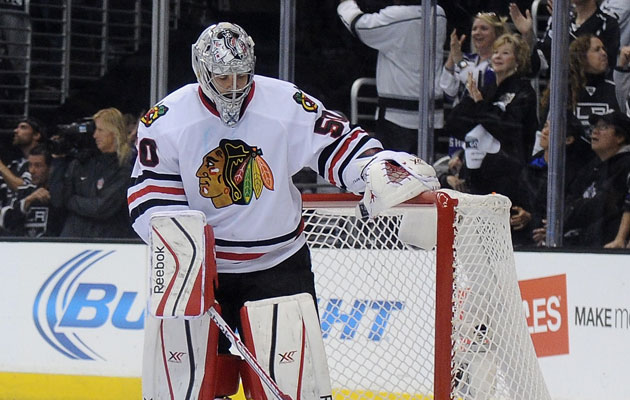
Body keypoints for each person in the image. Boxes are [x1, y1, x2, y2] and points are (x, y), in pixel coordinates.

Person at [127, 22, 437, 399]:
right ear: (202, 70)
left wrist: (373, 168)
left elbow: (337, 145)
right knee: (183, 389)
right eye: (224, 78)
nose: (235, 86)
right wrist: (178, 246)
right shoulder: (165, 120)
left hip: (279, 267)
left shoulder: (285, 102)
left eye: (243, 75)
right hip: (201, 272)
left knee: (295, 389)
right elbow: (149, 194)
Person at [336, 0, 447, 154]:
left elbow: (359, 26)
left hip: (398, 117)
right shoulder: (438, 13)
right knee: (423, 172)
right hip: (431, 115)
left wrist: (346, 3)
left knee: (393, 173)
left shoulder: (397, 16)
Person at [444, 33, 538, 203]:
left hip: (508, 179)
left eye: (505, 53)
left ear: (518, 60)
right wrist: (470, 102)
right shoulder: (486, 90)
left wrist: (480, 105)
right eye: (495, 52)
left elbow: (508, 129)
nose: (497, 57)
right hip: (476, 177)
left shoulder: (524, 91)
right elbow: (454, 125)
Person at [510, 115, 589, 246]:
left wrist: (532, 219)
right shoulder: (530, 165)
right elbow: (518, 199)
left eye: (553, 129)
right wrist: (518, 214)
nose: (545, 132)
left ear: (568, 140)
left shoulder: (576, 172)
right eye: (546, 126)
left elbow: (570, 212)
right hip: (524, 239)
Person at [440, 11, 511, 155]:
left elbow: (480, 86)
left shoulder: (499, 63)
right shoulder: (467, 59)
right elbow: (448, 91)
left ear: (497, 33)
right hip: (460, 129)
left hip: (483, 129)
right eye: (474, 29)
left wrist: (459, 62)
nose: (477, 32)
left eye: (484, 28)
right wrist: (452, 57)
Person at [59, 107, 134, 238]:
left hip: (110, 241)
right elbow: (60, 198)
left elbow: (101, 207)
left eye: (100, 130)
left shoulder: (125, 167)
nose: (95, 135)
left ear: (114, 132)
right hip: (75, 236)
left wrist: (72, 200)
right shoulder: (84, 162)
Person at [559, 111, 630, 247]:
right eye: (594, 128)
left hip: (609, 249)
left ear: (620, 136)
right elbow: (569, 200)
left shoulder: (625, 165)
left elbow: (605, 203)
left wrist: (570, 215)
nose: (594, 132)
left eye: (603, 127)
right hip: (584, 246)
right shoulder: (592, 166)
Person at [538, 34, 619, 147]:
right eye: (597, 50)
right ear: (582, 56)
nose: (604, 53)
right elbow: (546, 129)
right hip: (571, 158)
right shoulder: (562, 90)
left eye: (604, 49)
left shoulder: (615, 89)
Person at [510, 0, 620, 76]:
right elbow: (541, 63)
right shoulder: (559, 20)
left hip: (592, 97)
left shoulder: (608, 23)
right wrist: (528, 36)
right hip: (559, 97)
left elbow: (601, 66)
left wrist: (564, 27)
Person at [0, 144, 64, 237]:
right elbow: (6, 222)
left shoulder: (60, 194)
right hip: (24, 248)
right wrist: (28, 201)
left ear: (50, 169)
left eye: (38, 166)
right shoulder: (24, 192)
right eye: (30, 165)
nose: (32, 170)